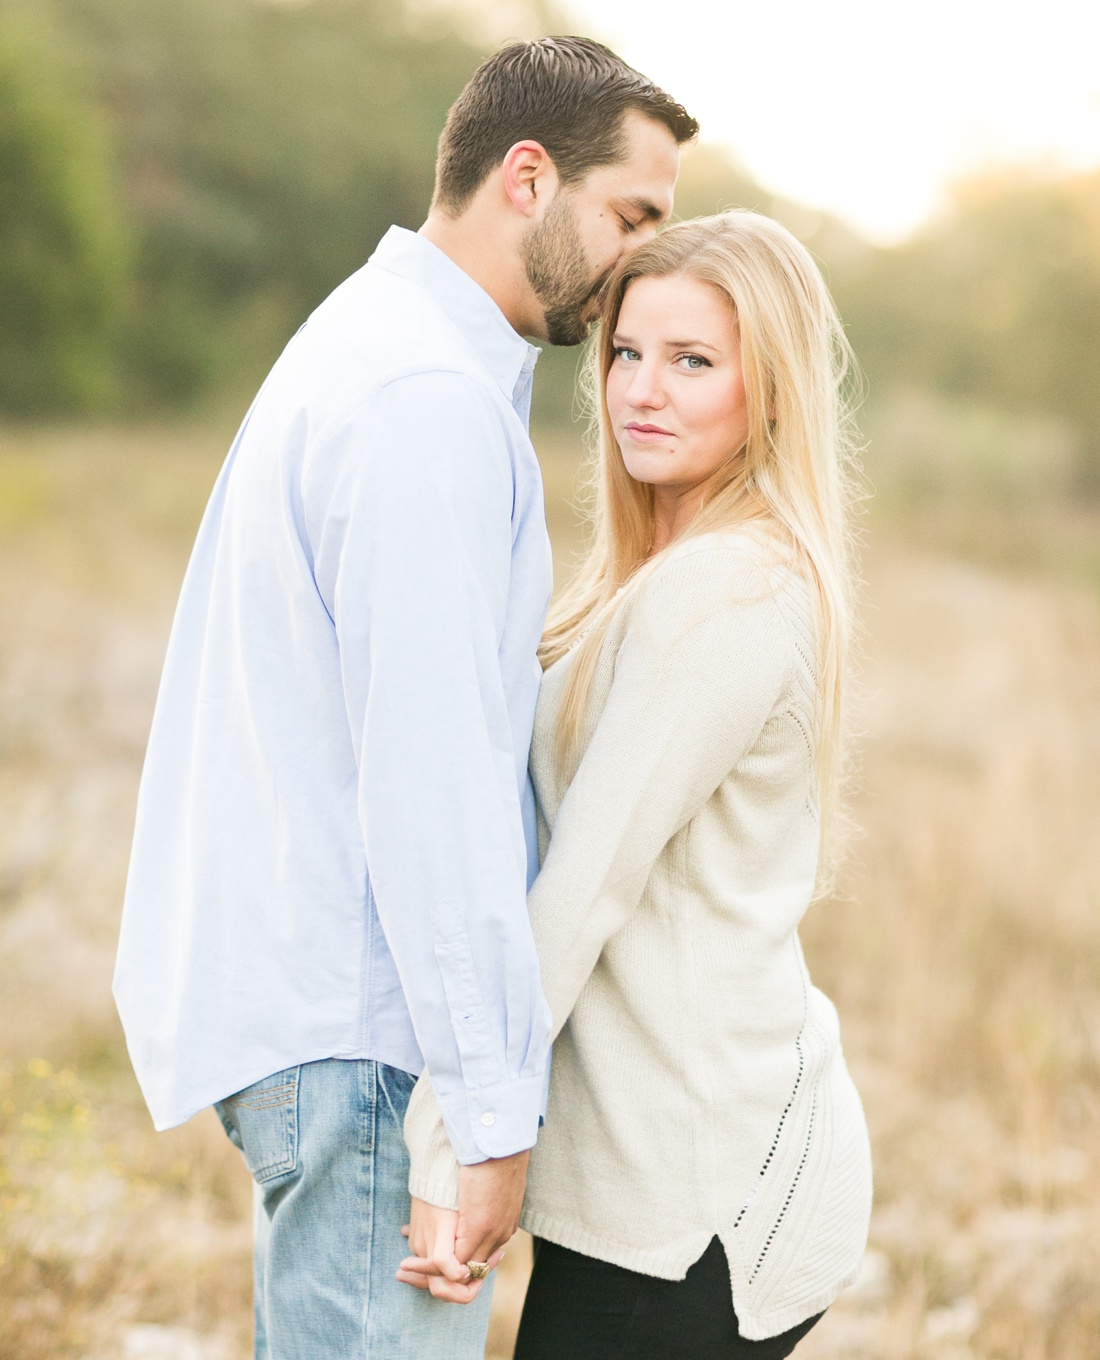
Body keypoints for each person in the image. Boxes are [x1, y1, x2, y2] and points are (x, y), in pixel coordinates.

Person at [112, 37, 697, 1360]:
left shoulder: (372, 345)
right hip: (373, 1047)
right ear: (528, 178)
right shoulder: (425, 400)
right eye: (633, 218)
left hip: (335, 1029)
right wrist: (490, 1114)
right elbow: (432, 782)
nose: (645, 264)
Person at [400, 211, 874, 1358]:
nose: (639, 391)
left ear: (767, 391)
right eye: (624, 353)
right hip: (654, 1158)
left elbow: (582, 891)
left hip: (688, 1197)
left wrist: (451, 1137)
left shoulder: (723, 596)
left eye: (692, 360)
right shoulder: (649, 576)